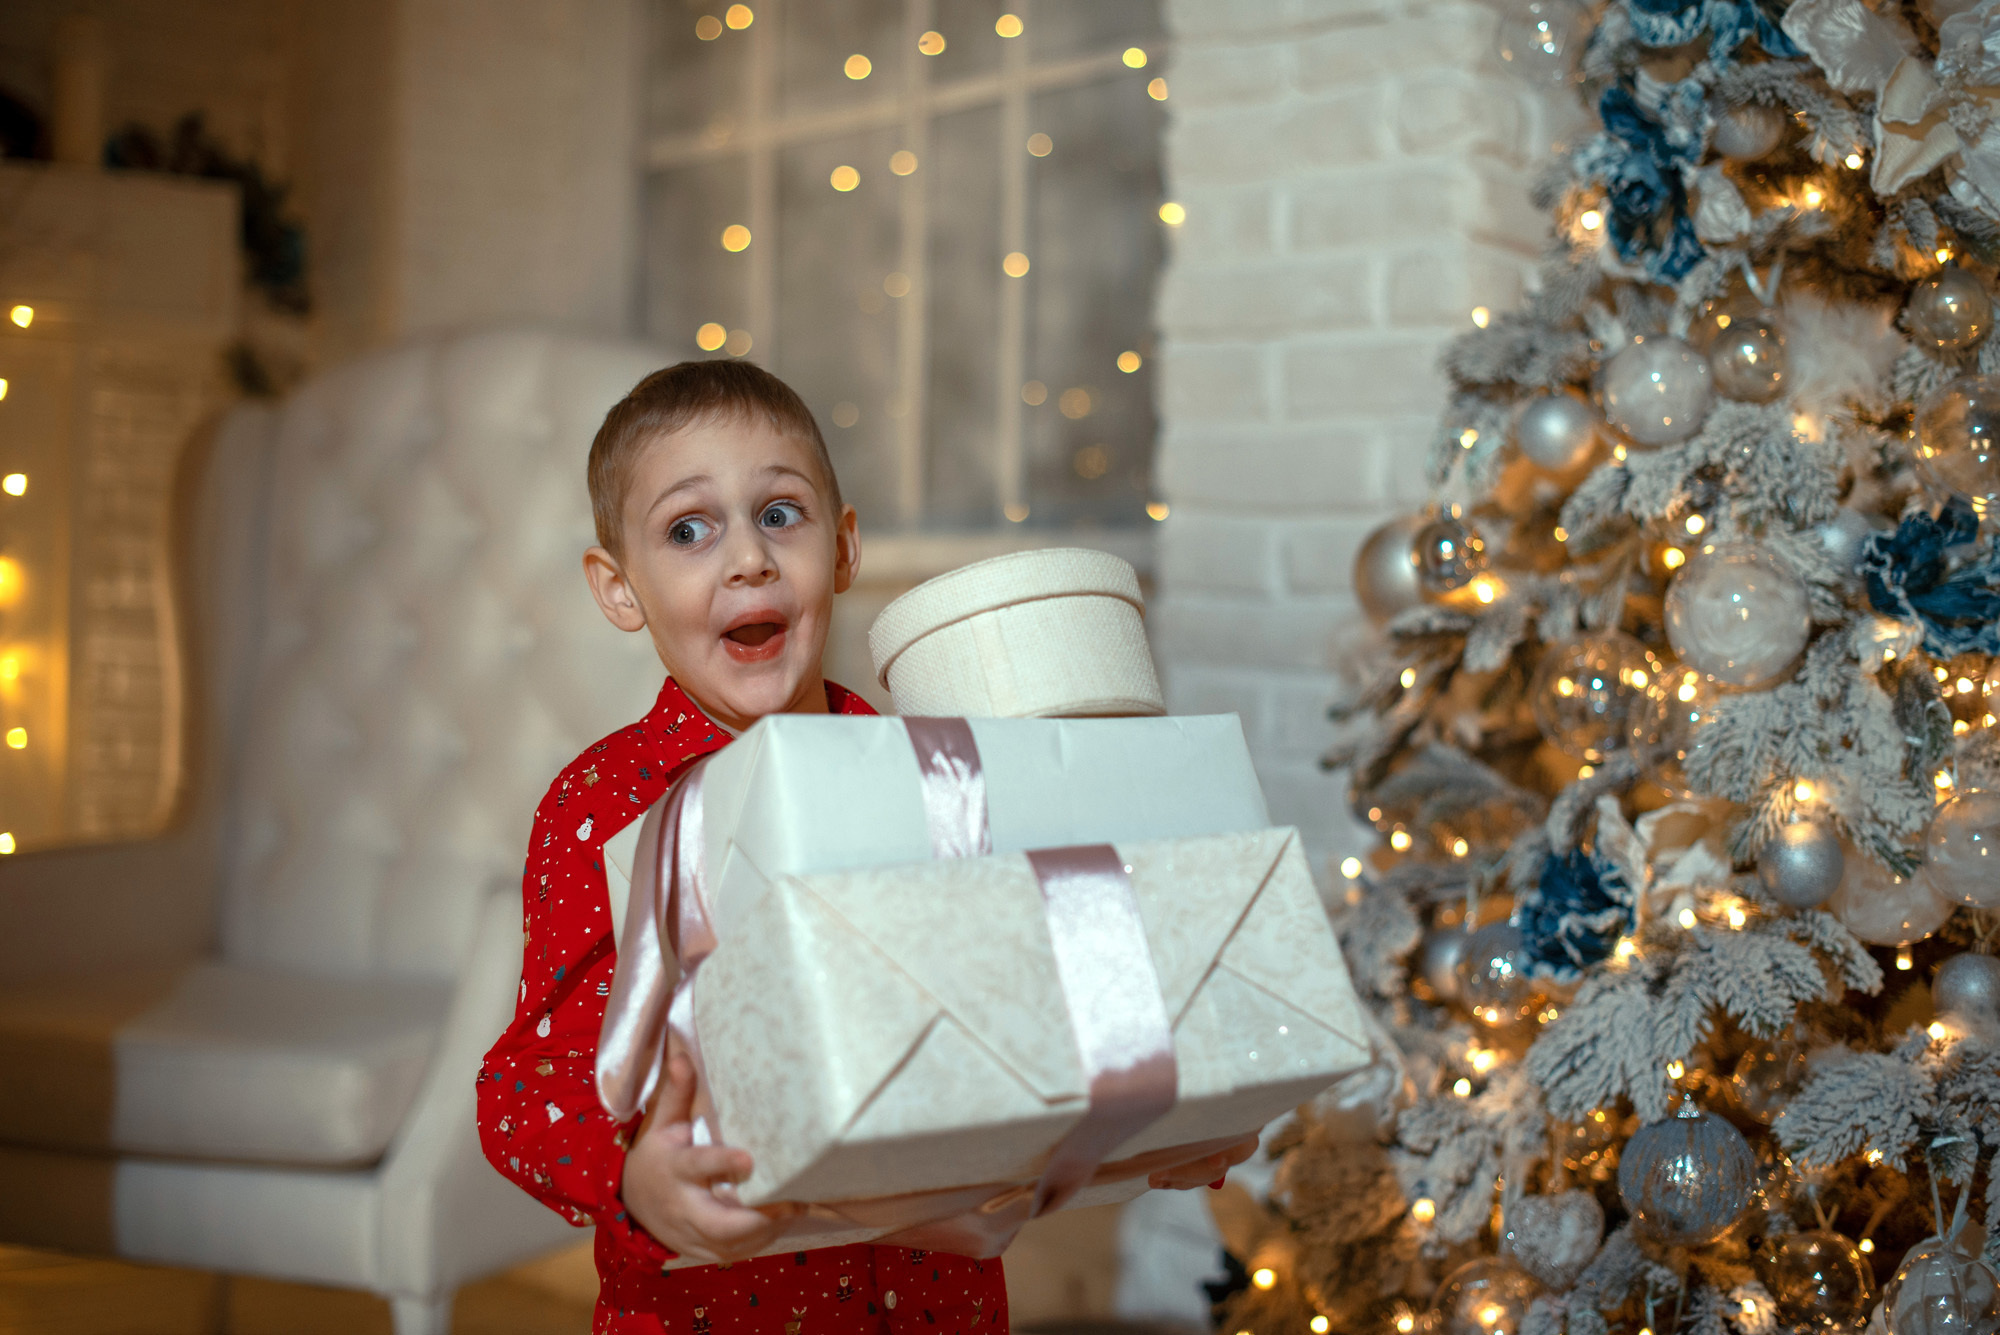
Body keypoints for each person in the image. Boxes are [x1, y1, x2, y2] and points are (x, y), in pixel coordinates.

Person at [477, 360, 1255, 1334]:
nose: (748, 558)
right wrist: (635, 1183)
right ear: (618, 587)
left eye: (780, 514)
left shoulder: (932, 781)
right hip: (715, 1315)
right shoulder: (604, 808)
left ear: (841, 550)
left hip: (937, 1307)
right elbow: (524, 1090)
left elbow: (1013, 1014)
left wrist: (1149, 1115)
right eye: (688, 529)